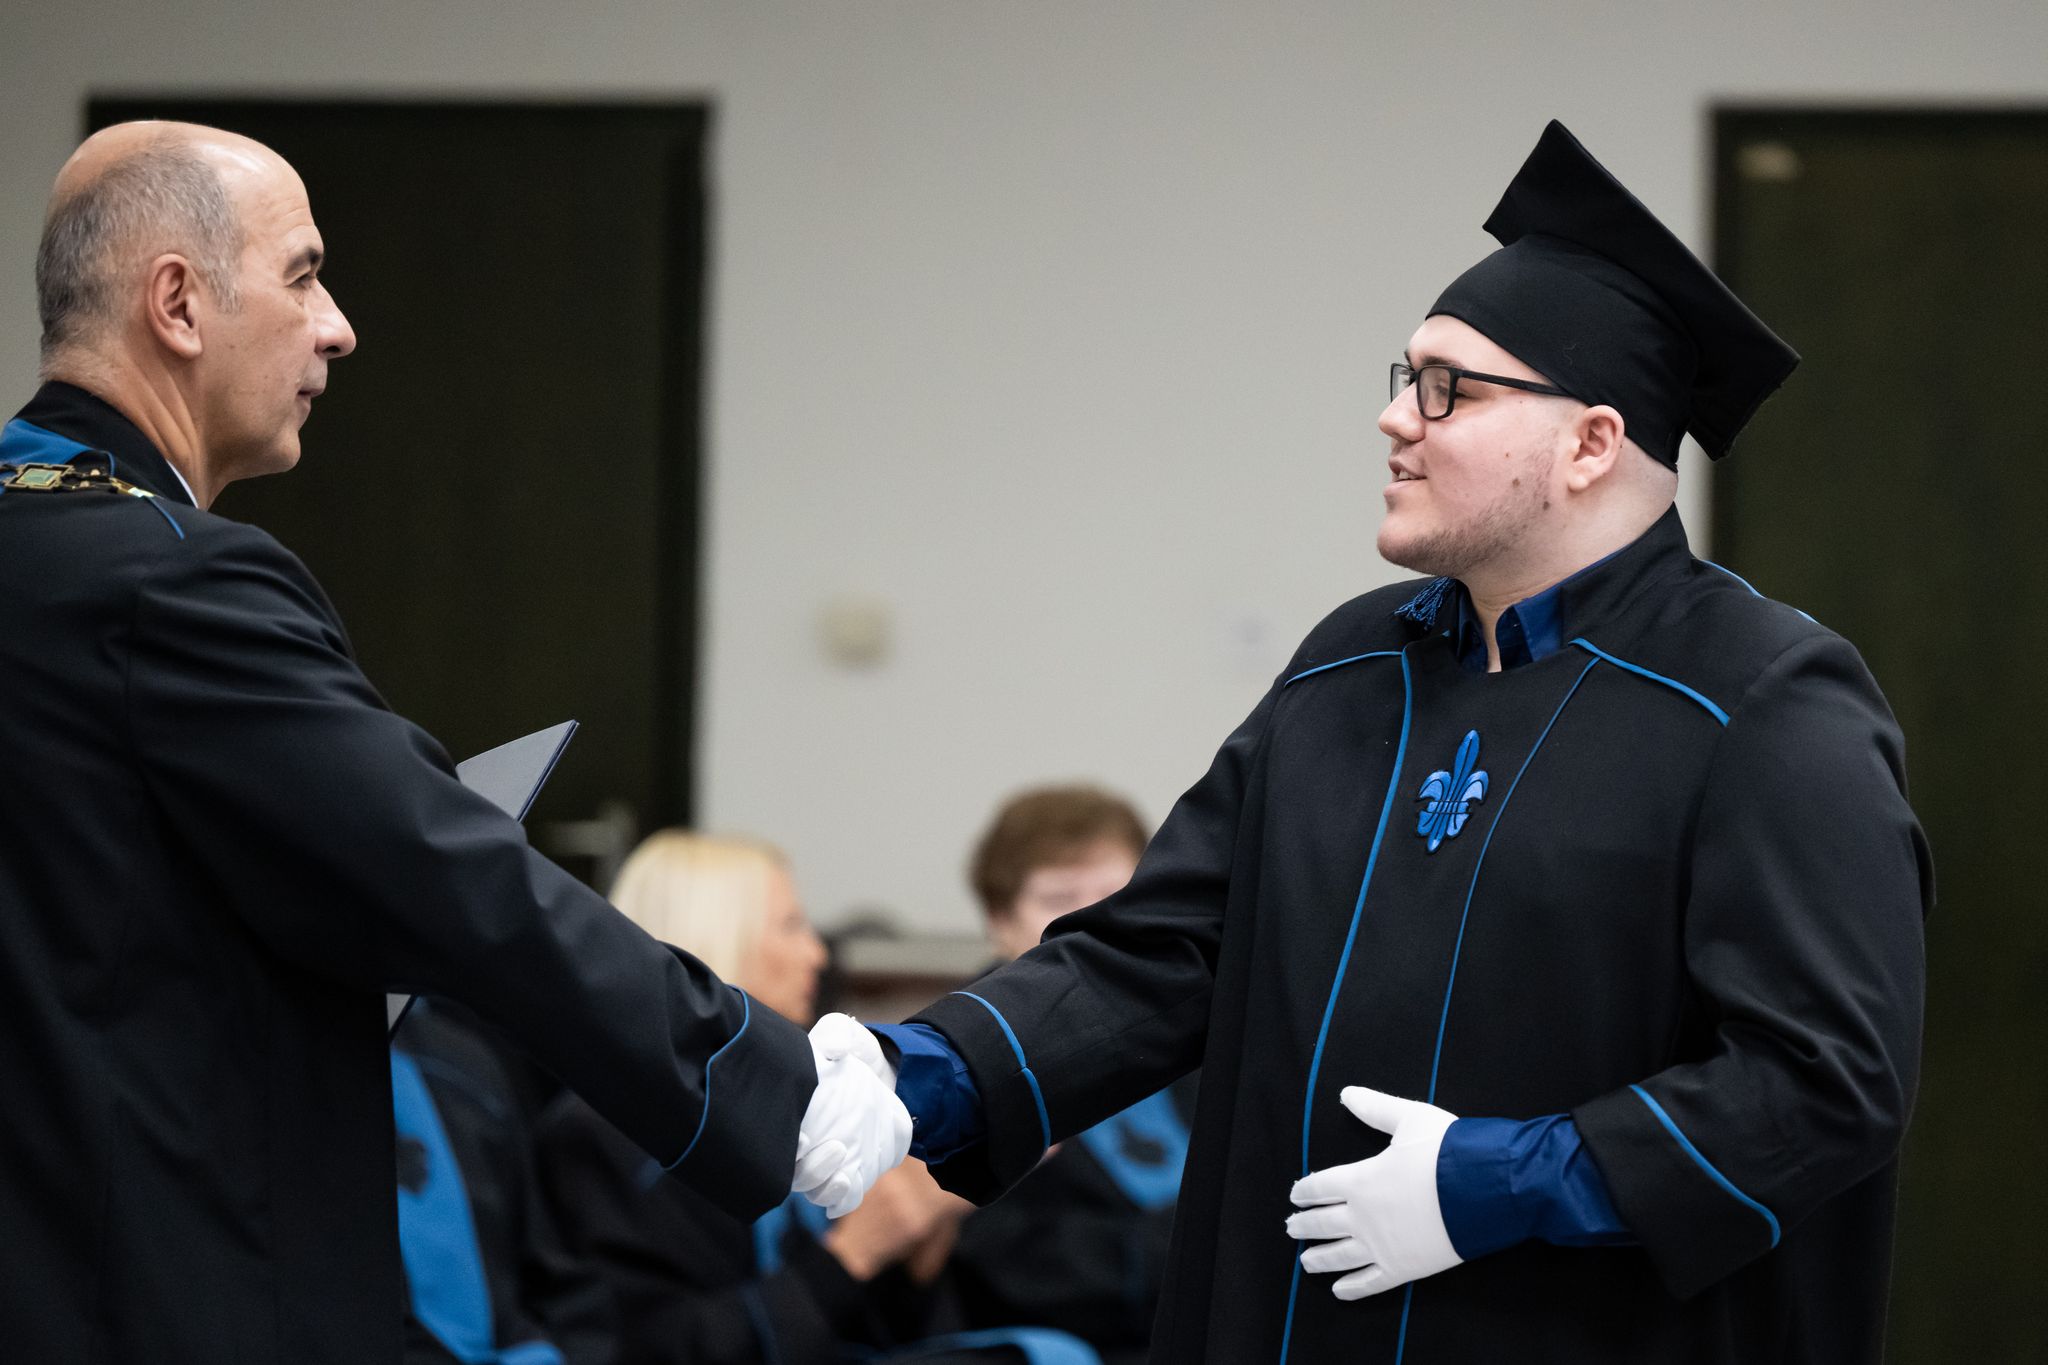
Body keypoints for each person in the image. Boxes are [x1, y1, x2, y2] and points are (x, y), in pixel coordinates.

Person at [850, 122, 1931, 1363]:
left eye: (1445, 389)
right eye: (1402, 376)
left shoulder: (1759, 702)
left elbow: (1823, 1080)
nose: (1390, 419)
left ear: (1588, 443)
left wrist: (1503, 1180)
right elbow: (1162, 950)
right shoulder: (1347, 667)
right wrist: (918, 1072)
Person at [0, 121, 903, 1365]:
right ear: (178, 303)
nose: (337, 328)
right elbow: (446, 871)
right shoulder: (167, 581)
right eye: (303, 275)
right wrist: (766, 1088)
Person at [534, 833, 981, 1365]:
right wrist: (851, 1255)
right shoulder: (605, 1135)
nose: (818, 954)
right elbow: (648, 1349)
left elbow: (870, 1326)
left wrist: (920, 1242)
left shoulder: (788, 1100)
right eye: (791, 925)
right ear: (715, 936)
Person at [944, 787, 1192, 1365]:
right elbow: (1006, 1266)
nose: (1092, 923)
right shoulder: (958, 1063)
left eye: (1114, 896)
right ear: (999, 922)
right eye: (1059, 900)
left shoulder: (1201, 1025)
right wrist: (1202, 1246)